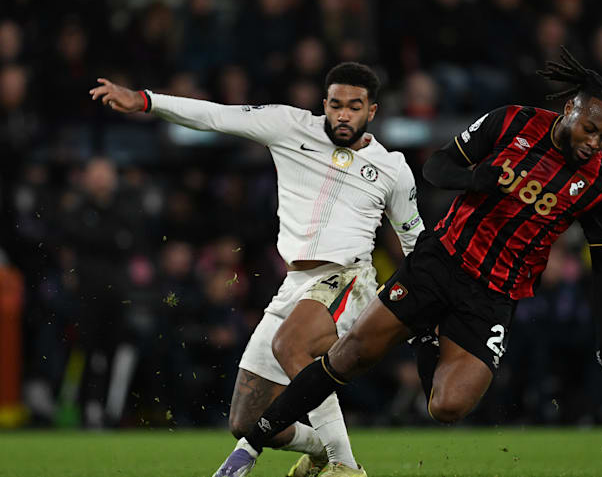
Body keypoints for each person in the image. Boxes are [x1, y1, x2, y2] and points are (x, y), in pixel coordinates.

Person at [208, 47, 602, 477]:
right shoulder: (512, 122)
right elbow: (437, 168)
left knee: (446, 406)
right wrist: (474, 179)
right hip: (439, 261)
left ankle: (424, 331)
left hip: (493, 294)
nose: (594, 143)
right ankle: (246, 453)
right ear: (569, 109)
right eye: (590, 129)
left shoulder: (600, 184)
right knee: (346, 356)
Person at [89, 62, 424, 477]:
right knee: (246, 422)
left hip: (349, 279)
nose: (343, 115)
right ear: (324, 104)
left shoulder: (393, 168)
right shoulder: (289, 126)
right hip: (296, 285)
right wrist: (145, 101)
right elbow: (216, 115)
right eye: (336, 105)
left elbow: (415, 244)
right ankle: (321, 449)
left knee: (291, 346)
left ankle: (346, 466)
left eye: (354, 107)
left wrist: (427, 311)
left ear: (372, 111)